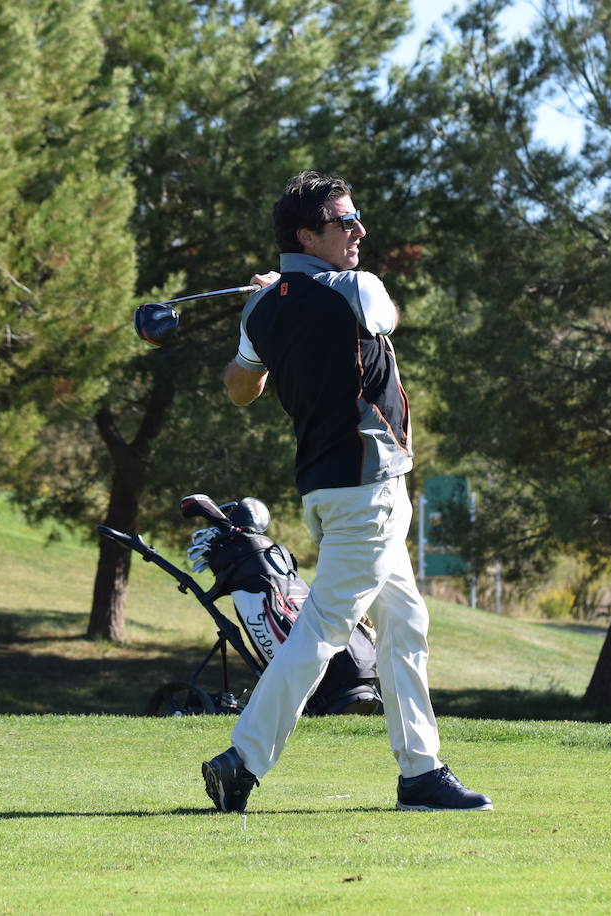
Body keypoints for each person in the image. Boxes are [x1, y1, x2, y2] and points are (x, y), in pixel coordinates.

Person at [201, 170, 492, 813]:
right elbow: (387, 316)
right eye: (344, 223)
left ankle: (420, 771)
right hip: (368, 490)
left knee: (404, 622)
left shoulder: (262, 308)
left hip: (329, 492)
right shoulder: (357, 289)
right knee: (324, 631)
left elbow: (240, 386)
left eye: (357, 219)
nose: (359, 231)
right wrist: (293, 292)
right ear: (307, 234)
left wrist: (277, 301)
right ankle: (242, 760)